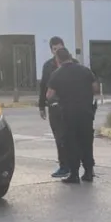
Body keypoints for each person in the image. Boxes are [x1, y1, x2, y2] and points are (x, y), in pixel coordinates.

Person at [46, 48, 99, 184]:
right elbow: (95, 88)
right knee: (86, 142)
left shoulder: (57, 74)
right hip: (86, 113)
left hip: (68, 114)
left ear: (58, 59)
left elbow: (49, 95)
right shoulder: (85, 71)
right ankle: (88, 172)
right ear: (70, 56)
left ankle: (74, 174)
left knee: (71, 143)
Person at [38, 36, 69, 178]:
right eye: (55, 49)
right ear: (51, 51)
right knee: (59, 137)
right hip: (54, 107)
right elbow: (44, 86)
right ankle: (63, 165)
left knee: (71, 136)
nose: (57, 52)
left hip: (70, 106)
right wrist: (41, 105)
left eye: (60, 48)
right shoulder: (48, 66)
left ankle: (76, 165)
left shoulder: (73, 64)